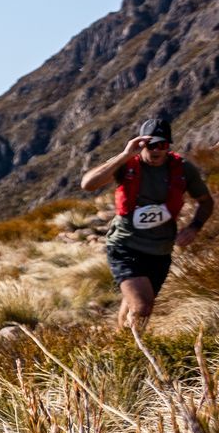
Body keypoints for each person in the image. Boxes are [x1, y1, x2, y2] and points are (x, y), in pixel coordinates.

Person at [81, 113, 212, 332]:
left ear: (169, 146)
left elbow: (206, 202)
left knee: (138, 304)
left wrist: (194, 227)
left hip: (160, 250)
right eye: (149, 144)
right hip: (125, 245)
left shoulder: (182, 169)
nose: (156, 150)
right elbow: (88, 184)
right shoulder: (127, 165)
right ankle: (135, 353)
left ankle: (119, 341)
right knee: (142, 307)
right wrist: (124, 154)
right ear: (141, 143)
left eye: (162, 144)